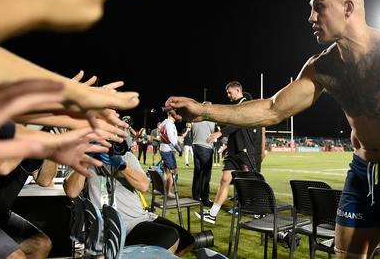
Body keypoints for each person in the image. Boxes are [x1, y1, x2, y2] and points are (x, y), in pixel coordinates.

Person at [167, 0, 380, 258]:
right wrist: (203, 109)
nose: (311, 17)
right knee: (346, 255)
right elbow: (274, 109)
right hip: (362, 170)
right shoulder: (323, 66)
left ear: (348, 8)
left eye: (318, 7)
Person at [63, 150, 194, 256]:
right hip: (117, 225)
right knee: (170, 236)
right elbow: (72, 192)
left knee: (188, 241)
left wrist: (122, 166)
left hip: (141, 217)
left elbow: (143, 185)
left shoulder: (126, 155)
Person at [195, 81, 259, 225]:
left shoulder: (247, 103)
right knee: (224, 180)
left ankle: (260, 211)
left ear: (237, 90)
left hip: (244, 150)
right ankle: (212, 214)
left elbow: (239, 123)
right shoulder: (233, 107)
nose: (228, 95)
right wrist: (226, 144)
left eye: (230, 92)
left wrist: (220, 133)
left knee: (250, 182)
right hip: (232, 150)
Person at [190, 105, 218, 206]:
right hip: (206, 147)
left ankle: (196, 196)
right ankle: (205, 198)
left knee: (197, 172)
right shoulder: (210, 120)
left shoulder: (195, 119)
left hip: (196, 146)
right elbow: (214, 133)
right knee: (206, 174)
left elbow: (191, 134)